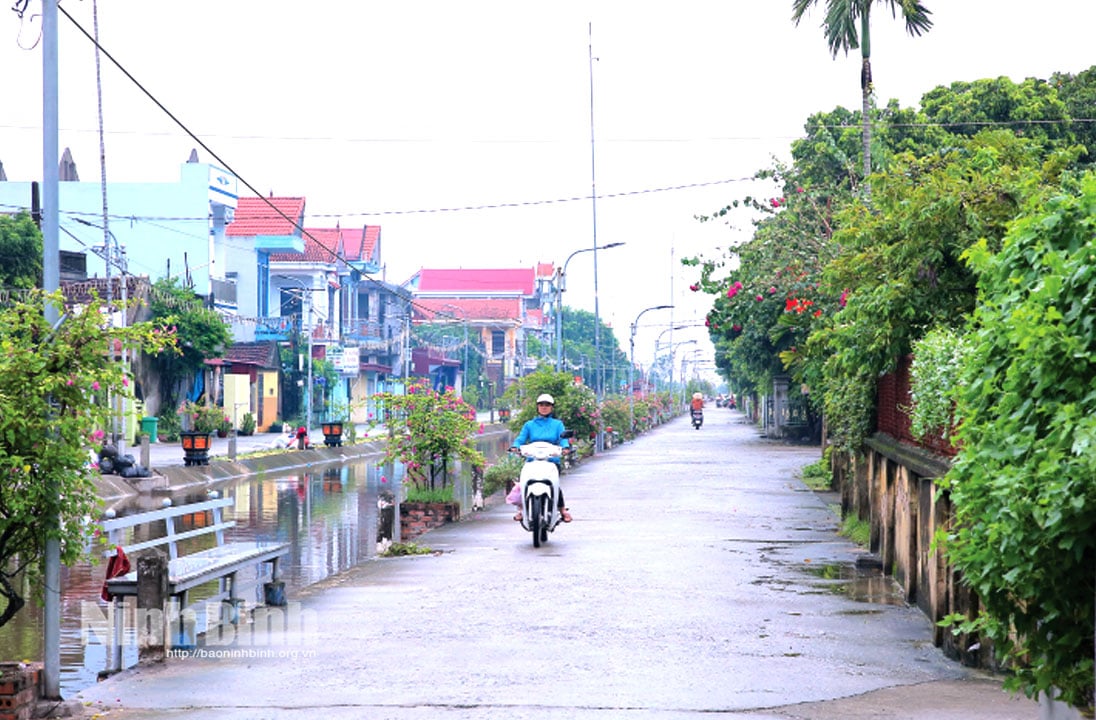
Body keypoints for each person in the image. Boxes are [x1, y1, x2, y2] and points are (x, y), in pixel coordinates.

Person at [510, 393, 572, 523]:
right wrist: (515, 446)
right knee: (525, 482)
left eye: (547, 405)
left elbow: (563, 439)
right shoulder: (529, 425)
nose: (544, 407)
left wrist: (565, 447)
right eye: (541, 405)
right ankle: (521, 509)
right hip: (533, 460)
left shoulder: (558, 424)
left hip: (551, 461)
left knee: (554, 483)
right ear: (537, 407)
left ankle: (562, 510)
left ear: (552, 407)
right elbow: (521, 438)